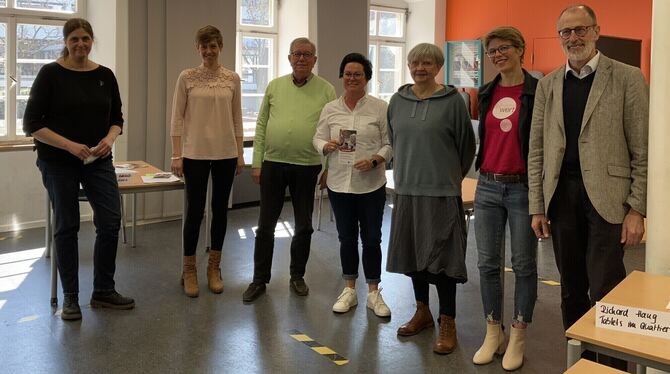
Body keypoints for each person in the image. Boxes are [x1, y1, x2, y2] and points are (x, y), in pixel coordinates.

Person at [528, 4, 648, 370]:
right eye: (566, 32)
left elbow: (643, 149)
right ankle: (581, 361)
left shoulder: (627, 78)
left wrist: (637, 209)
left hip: (608, 200)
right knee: (570, 289)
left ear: (597, 31)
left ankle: (610, 366)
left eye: (580, 30)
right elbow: (537, 149)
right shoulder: (548, 84)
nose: (573, 38)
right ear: (559, 37)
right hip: (561, 198)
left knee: (607, 289)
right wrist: (537, 206)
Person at [23, 18, 134, 321]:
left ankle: (103, 291)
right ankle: (70, 297)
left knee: (110, 221)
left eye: (85, 38)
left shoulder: (105, 76)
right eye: (74, 39)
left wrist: (110, 139)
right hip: (58, 161)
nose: (80, 44)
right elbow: (31, 125)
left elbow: (117, 118)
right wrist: (69, 145)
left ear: (92, 40)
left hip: (97, 160)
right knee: (67, 225)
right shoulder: (50, 75)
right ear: (66, 41)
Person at [386, 43, 476, 354]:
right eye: (415, 62)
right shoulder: (397, 101)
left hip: (441, 192)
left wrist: (449, 177)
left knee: (444, 261)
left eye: (427, 63)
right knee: (412, 255)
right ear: (408, 65)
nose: (420, 68)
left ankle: (447, 320)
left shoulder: (453, 102)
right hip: (408, 191)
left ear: (438, 67)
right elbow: (394, 140)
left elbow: (467, 147)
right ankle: (422, 311)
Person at [243, 38, 336, 302]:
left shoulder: (327, 90)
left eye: (307, 55)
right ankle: (259, 279)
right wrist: (258, 162)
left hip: (308, 166)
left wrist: (327, 169)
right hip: (273, 164)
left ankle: (297, 276)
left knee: (304, 225)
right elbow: (261, 126)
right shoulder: (274, 86)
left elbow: (332, 131)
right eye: (297, 54)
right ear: (289, 57)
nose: (302, 59)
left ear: (314, 60)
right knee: (265, 225)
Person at [471, 27, 538, 371]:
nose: (497, 55)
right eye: (492, 51)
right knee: (487, 264)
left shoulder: (537, 91)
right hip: (487, 186)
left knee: (524, 265)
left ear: (520, 49)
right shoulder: (486, 92)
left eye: (504, 48)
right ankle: (492, 330)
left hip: (523, 188)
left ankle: (518, 334)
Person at [313, 53, 392, 317]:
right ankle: (349, 289)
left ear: (367, 77)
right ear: (342, 77)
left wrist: (375, 159)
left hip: (370, 184)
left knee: (371, 238)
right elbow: (318, 137)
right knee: (346, 238)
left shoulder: (380, 108)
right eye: (348, 73)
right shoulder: (330, 109)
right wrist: (325, 145)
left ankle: (373, 292)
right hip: (338, 184)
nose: (352, 78)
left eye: (358, 74)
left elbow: (390, 143)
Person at [170, 25, 244, 298]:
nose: (209, 51)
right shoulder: (186, 77)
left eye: (213, 46)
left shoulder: (232, 78)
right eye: (204, 46)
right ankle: (189, 269)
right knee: (194, 211)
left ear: (220, 47)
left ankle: (215, 267)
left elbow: (237, 118)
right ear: (197, 48)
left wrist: (240, 153)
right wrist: (176, 154)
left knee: (220, 211)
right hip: (195, 154)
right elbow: (177, 117)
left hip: (225, 153)